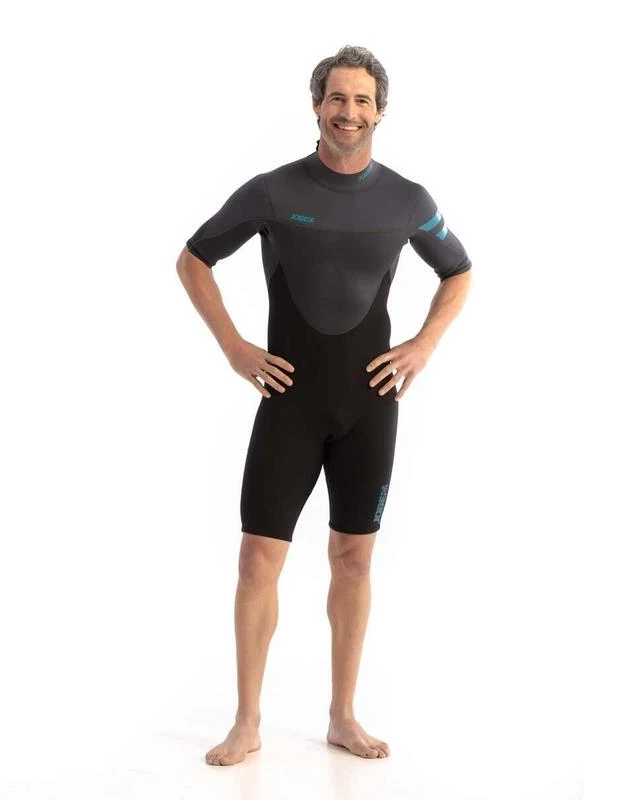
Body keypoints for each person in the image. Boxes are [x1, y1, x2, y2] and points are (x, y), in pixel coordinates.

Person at [176, 45, 472, 766]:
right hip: (290, 403)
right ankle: (247, 721)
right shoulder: (272, 192)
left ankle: (343, 715)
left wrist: (424, 344)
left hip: (370, 406)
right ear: (316, 105)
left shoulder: (408, 200)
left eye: (362, 100)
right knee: (257, 561)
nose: (349, 112)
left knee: (354, 560)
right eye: (337, 98)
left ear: (380, 112)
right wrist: (234, 346)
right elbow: (193, 259)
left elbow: (458, 270)